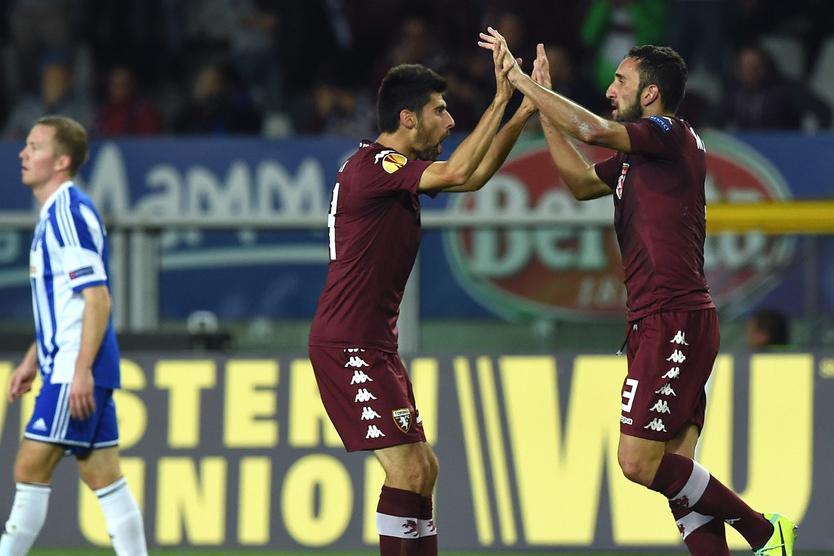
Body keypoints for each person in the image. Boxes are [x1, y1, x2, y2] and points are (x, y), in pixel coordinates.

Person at [478, 28, 797, 556]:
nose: (610, 88)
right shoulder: (638, 156)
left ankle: (764, 530)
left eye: (621, 80)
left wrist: (521, 84)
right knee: (680, 481)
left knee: (638, 463)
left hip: (673, 318)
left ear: (651, 92)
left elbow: (593, 128)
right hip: (664, 320)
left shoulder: (669, 133)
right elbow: (580, 184)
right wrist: (542, 110)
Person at [307, 42, 545, 555]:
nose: (450, 120)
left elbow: (475, 177)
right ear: (407, 118)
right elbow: (459, 172)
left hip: (374, 346)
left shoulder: (392, 170)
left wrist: (524, 110)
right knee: (409, 469)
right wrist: (500, 97)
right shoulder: (376, 164)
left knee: (424, 470)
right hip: (348, 345)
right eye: (440, 110)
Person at [1, 116, 147, 555]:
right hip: (69, 363)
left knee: (29, 468)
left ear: (62, 161)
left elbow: (97, 298)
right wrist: (31, 360)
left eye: (35, 147)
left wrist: (80, 369)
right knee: (103, 475)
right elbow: (66, 304)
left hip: (74, 368)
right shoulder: (62, 212)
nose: (23, 154)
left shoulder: (66, 212)